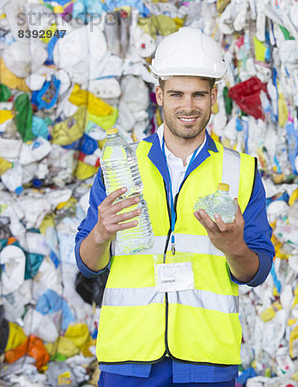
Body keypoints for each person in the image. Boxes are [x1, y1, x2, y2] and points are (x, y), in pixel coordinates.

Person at [74, 27, 275, 387]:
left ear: (214, 97)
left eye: (199, 95)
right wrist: (102, 232)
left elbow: (255, 273)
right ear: (159, 95)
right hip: (129, 358)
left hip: (206, 358)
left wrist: (233, 248)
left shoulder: (241, 170)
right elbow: (87, 265)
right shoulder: (120, 163)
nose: (188, 106)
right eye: (177, 94)